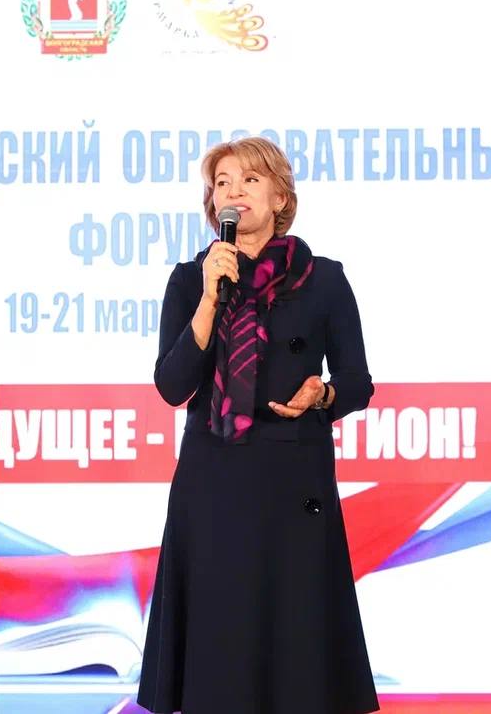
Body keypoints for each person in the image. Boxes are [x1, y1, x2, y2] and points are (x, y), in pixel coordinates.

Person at [137, 136, 379, 714]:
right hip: (213, 481)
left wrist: (323, 394)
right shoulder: (190, 280)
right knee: (219, 641)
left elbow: (358, 381)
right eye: (222, 183)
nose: (234, 191)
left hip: (293, 481)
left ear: (279, 198)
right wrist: (208, 301)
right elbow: (172, 385)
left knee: (294, 644)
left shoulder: (323, 279)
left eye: (249, 179)